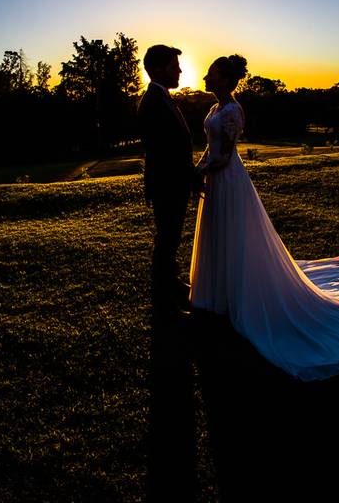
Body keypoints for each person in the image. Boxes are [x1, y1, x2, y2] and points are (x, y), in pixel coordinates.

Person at [189, 54, 339, 381]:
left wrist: (199, 172)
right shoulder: (214, 109)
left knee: (235, 236)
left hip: (229, 181)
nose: (205, 77)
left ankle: (242, 295)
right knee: (219, 236)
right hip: (215, 181)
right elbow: (210, 148)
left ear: (226, 80)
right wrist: (198, 169)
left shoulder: (231, 111)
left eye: (212, 74)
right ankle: (219, 294)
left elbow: (225, 156)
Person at [136, 44, 203, 501]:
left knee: (170, 240)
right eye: (175, 65)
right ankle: (164, 297)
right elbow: (166, 151)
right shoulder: (153, 101)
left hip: (173, 181)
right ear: (159, 68)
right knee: (167, 239)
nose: (180, 70)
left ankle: (171, 285)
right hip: (168, 183)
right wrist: (190, 176)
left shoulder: (162, 98)